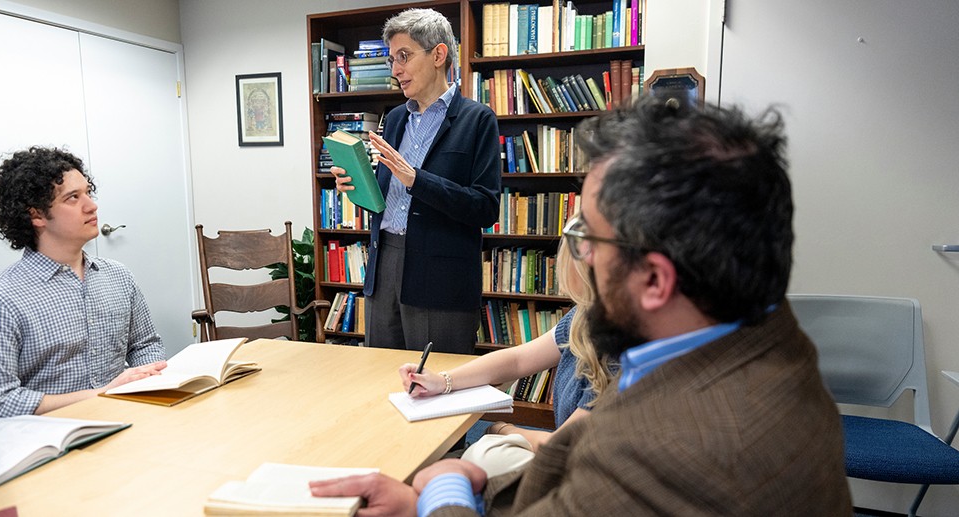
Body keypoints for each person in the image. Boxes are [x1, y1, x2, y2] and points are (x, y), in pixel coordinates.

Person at [310, 99, 853, 515]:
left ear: (656, 280)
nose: (580, 254)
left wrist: (443, 486)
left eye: (589, 236)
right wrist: (477, 485)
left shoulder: (681, 448)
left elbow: (617, 467)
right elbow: (584, 450)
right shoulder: (753, 337)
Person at [332, 8, 501, 354]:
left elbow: (485, 207)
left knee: (438, 390)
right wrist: (357, 185)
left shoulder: (477, 120)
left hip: (441, 277)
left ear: (438, 54)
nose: (396, 70)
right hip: (384, 269)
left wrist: (416, 179)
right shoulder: (393, 119)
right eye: (392, 60)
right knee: (379, 385)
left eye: (404, 57)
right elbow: (388, 200)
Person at [0, 146, 167, 418]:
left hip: (126, 420)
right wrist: (103, 394)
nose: (92, 205)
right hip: (47, 441)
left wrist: (149, 379)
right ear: (36, 215)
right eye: (73, 198)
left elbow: (144, 344)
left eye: (88, 193)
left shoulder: (119, 276)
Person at [402, 240, 616, 461]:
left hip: (582, 469)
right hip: (571, 457)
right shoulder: (583, 316)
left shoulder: (619, 351)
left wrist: (503, 429)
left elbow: (560, 446)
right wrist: (442, 381)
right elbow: (518, 359)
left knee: (460, 464)